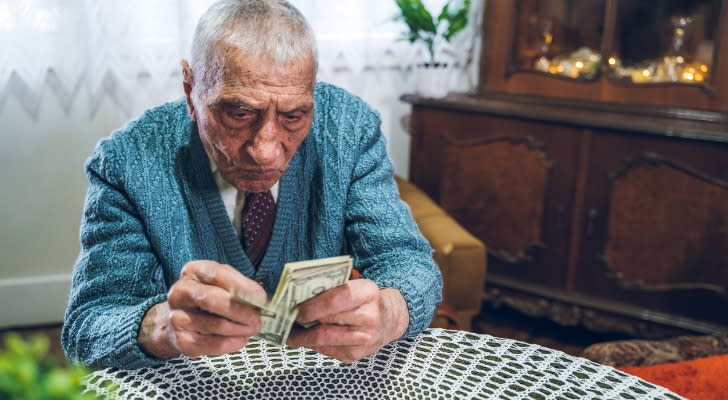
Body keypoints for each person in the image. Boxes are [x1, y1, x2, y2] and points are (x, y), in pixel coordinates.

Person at [62, 0, 442, 369]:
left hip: (318, 378)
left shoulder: (349, 130)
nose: (265, 152)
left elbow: (409, 265)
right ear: (191, 91)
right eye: (239, 113)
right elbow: (88, 327)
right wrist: (163, 327)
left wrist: (389, 312)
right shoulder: (126, 162)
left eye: (293, 116)